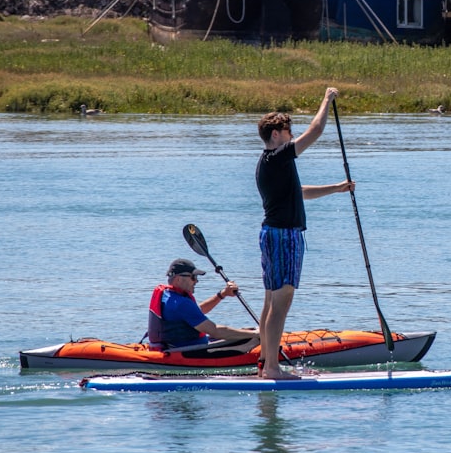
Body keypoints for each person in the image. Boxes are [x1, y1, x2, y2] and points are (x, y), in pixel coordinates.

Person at [255, 87, 354, 379]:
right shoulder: (276, 158)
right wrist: (326, 99)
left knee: (271, 302)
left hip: (273, 234)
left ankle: (264, 363)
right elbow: (316, 130)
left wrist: (336, 188)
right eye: (288, 131)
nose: (291, 135)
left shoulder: (272, 164)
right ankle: (272, 368)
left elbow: (299, 193)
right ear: (276, 135)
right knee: (281, 303)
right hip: (283, 236)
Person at [147, 258, 258, 349]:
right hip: (189, 352)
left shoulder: (168, 296)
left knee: (247, 331)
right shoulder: (181, 303)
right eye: (193, 277)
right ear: (178, 279)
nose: (196, 281)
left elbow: (196, 312)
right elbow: (214, 331)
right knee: (252, 337)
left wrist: (222, 294)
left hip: (176, 346)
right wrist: (257, 335)